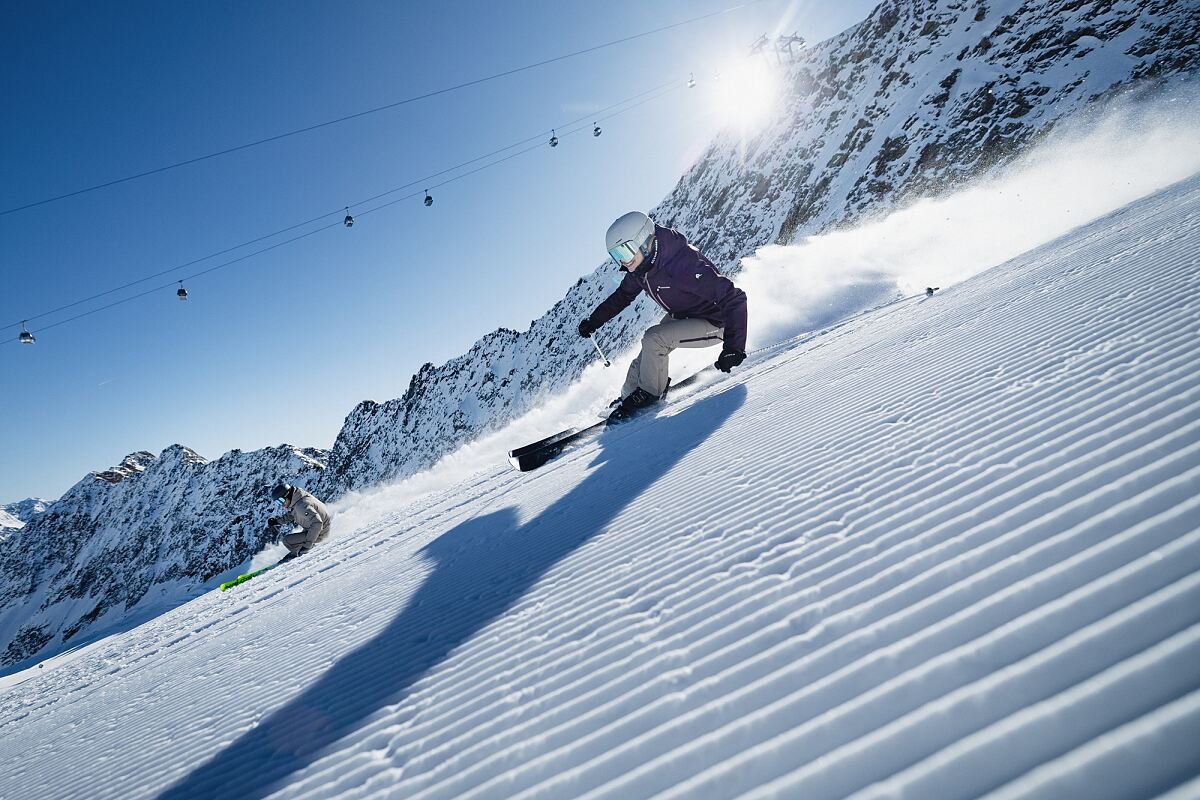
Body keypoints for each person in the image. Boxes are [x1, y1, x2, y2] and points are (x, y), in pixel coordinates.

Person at [578, 211, 749, 420]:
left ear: (643, 241)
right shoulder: (640, 269)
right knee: (645, 355)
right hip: (685, 315)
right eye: (617, 255)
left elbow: (734, 297)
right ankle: (629, 395)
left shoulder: (682, 264)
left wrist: (733, 347)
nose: (623, 261)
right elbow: (622, 296)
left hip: (717, 322)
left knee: (655, 339)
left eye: (625, 251)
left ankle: (649, 394)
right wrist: (594, 321)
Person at [267, 483, 332, 562]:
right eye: (278, 503)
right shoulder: (298, 497)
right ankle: (297, 550)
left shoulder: (301, 505)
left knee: (287, 541)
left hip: (320, 532)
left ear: (287, 495)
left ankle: (297, 555)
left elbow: (317, 523)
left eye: (281, 501)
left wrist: (307, 546)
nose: (282, 505)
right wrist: (277, 521)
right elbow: (293, 514)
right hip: (318, 527)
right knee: (294, 541)